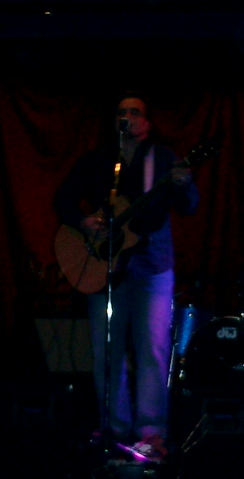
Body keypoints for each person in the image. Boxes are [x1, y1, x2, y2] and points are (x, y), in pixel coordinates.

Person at [54, 91, 200, 462]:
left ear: (147, 123)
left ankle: (151, 432)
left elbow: (189, 206)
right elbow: (63, 199)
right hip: (104, 267)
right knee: (107, 351)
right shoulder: (98, 160)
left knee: (152, 349)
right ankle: (113, 427)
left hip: (152, 266)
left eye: (135, 112)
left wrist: (184, 183)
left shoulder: (163, 158)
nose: (128, 117)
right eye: (122, 112)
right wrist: (84, 222)